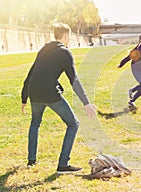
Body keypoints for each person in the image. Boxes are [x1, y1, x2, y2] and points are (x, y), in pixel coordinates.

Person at [21, 23, 97, 174]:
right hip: (50, 94)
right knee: (73, 124)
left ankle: (31, 160)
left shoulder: (44, 49)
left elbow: (31, 74)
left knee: (35, 122)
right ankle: (63, 164)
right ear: (66, 36)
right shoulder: (65, 53)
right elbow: (74, 80)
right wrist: (86, 103)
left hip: (34, 93)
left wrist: (24, 98)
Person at [117, 34, 141, 111]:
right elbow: (128, 58)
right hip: (136, 69)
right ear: (140, 40)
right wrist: (121, 65)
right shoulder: (137, 50)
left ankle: (131, 101)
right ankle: (132, 91)